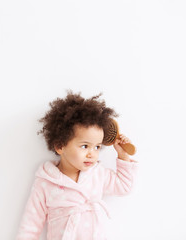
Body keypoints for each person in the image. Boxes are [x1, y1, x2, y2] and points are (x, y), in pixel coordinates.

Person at [16, 91, 138, 240]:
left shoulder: (97, 174)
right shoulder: (45, 182)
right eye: (84, 146)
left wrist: (123, 155)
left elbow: (124, 186)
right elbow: (30, 226)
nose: (92, 154)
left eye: (97, 147)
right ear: (60, 146)